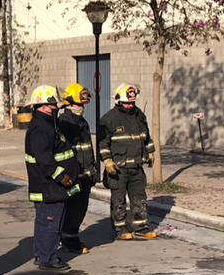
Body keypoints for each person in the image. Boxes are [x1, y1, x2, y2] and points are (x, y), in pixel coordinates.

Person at [25, 85, 83, 270]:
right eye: (53, 106)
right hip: (49, 186)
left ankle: (41, 254)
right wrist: (62, 177)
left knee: (45, 222)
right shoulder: (41, 128)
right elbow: (45, 160)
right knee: (50, 223)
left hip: (51, 186)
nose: (56, 109)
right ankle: (48, 259)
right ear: (43, 106)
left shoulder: (49, 124)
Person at [98, 83, 157, 240]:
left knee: (139, 198)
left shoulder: (139, 115)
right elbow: (102, 144)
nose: (130, 105)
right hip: (118, 169)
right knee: (119, 199)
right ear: (118, 101)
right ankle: (120, 228)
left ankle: (141, 226)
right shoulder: (108, 119)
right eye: (127, 103)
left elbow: (146, 135)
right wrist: (108, 161)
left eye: (132, 102)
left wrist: (150, 151)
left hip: (136, 166)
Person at [57, 83, 98, 254]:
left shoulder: (83, 122)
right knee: (71, 209)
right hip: (73, 174)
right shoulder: (63, 123)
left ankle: (70, 236)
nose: (81, 108)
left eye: (82, 105)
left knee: (81, 208)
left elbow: (88, 147)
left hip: (85, 174)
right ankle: (68, 240)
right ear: (68, 103)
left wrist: (92, 169)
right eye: (77, 104)